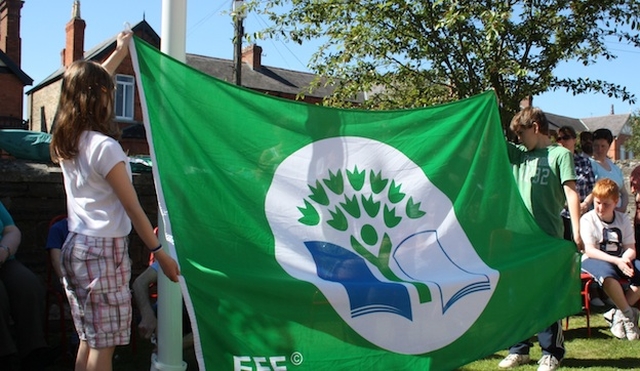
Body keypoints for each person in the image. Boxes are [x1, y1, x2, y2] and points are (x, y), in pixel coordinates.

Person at [49, 30, 180, 371]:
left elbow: (86, 83)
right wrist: (161, 255)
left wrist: (121, 52)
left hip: (76, 247)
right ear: (100, 97)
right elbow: (134, 209)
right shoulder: (104, 148)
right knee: (103, 350)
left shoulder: (68, 141)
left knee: (89, 340)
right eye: (107, 90)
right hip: (102, 254)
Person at [498, 107, 583, 371]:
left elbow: (571, 193)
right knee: (517, 295)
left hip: (547, 237)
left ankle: (552, 352)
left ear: (535, 127)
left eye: (521, 133)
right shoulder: (518, 155)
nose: (518, 139)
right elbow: (491, 139)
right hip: (518, 238)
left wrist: (577, 231)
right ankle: (519, 349)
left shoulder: (560, 155)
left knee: (546, 295)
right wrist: (491, 106)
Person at [580, 178, 640, 340]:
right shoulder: (587, 219)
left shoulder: (623, 219)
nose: (600, 208)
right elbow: (590, 250)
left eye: (606, 204)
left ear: (615, 202)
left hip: (619, 259)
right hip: (593, 260)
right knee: (607, 276)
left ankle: (618, 314)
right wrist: (617, 262)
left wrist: (625, 259)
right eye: (598, 203)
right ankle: (628, 314)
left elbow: (630, 248)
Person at [0, 201, 54, 371]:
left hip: (4, 259)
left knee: (28, 285)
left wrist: (4, 250)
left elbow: (11, 229)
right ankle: (6, 355)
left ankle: (33, 352)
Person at [132, 260, 193, 350]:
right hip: (173, 310)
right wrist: (147, 314)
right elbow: (139, 283)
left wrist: (172, 349)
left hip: (200, 315)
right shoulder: (176, 256)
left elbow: (214, 326)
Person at [556, 126, 595, 241]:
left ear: (574, 140)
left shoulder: (584, 162)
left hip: (583, 215)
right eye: (559, 139)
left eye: (566, 138)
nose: (562, 141)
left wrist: (586, 203)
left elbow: (593, 188)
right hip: (561, 216)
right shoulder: (554, 162)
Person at [589, 128, 629, 213]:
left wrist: (623, 208)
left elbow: (624, 193)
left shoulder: (615, 168)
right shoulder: (589, 165)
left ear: (609, 146)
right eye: (596, 146)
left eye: (603, 146)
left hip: (618, 215)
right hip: (599, 215)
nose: (599, 149)